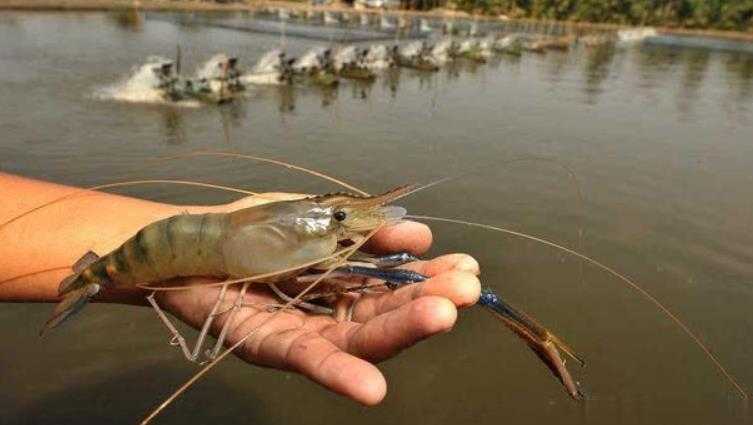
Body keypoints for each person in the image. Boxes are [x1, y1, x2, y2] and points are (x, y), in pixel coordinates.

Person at [0, 172, 481, 405]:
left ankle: (93, 275)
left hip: (170, 247)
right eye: (335, 216)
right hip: (151, 254)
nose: (343, 223)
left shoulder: (305, 230)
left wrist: (335, 222)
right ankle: (90, 278)